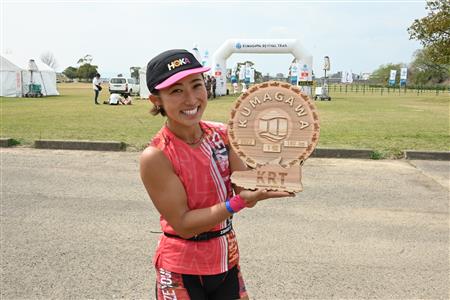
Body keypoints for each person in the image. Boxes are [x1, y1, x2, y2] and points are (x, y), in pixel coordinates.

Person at [140, 49, 292, 299]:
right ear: (156, 101)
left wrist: (275, 168)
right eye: (176, 91)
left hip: (226, 258)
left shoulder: (222, 134)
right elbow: (185, 225)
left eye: (196, 85)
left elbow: (244, 188)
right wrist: (240, 202)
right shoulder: (156, 156)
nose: (191, 99)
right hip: (181, 268)